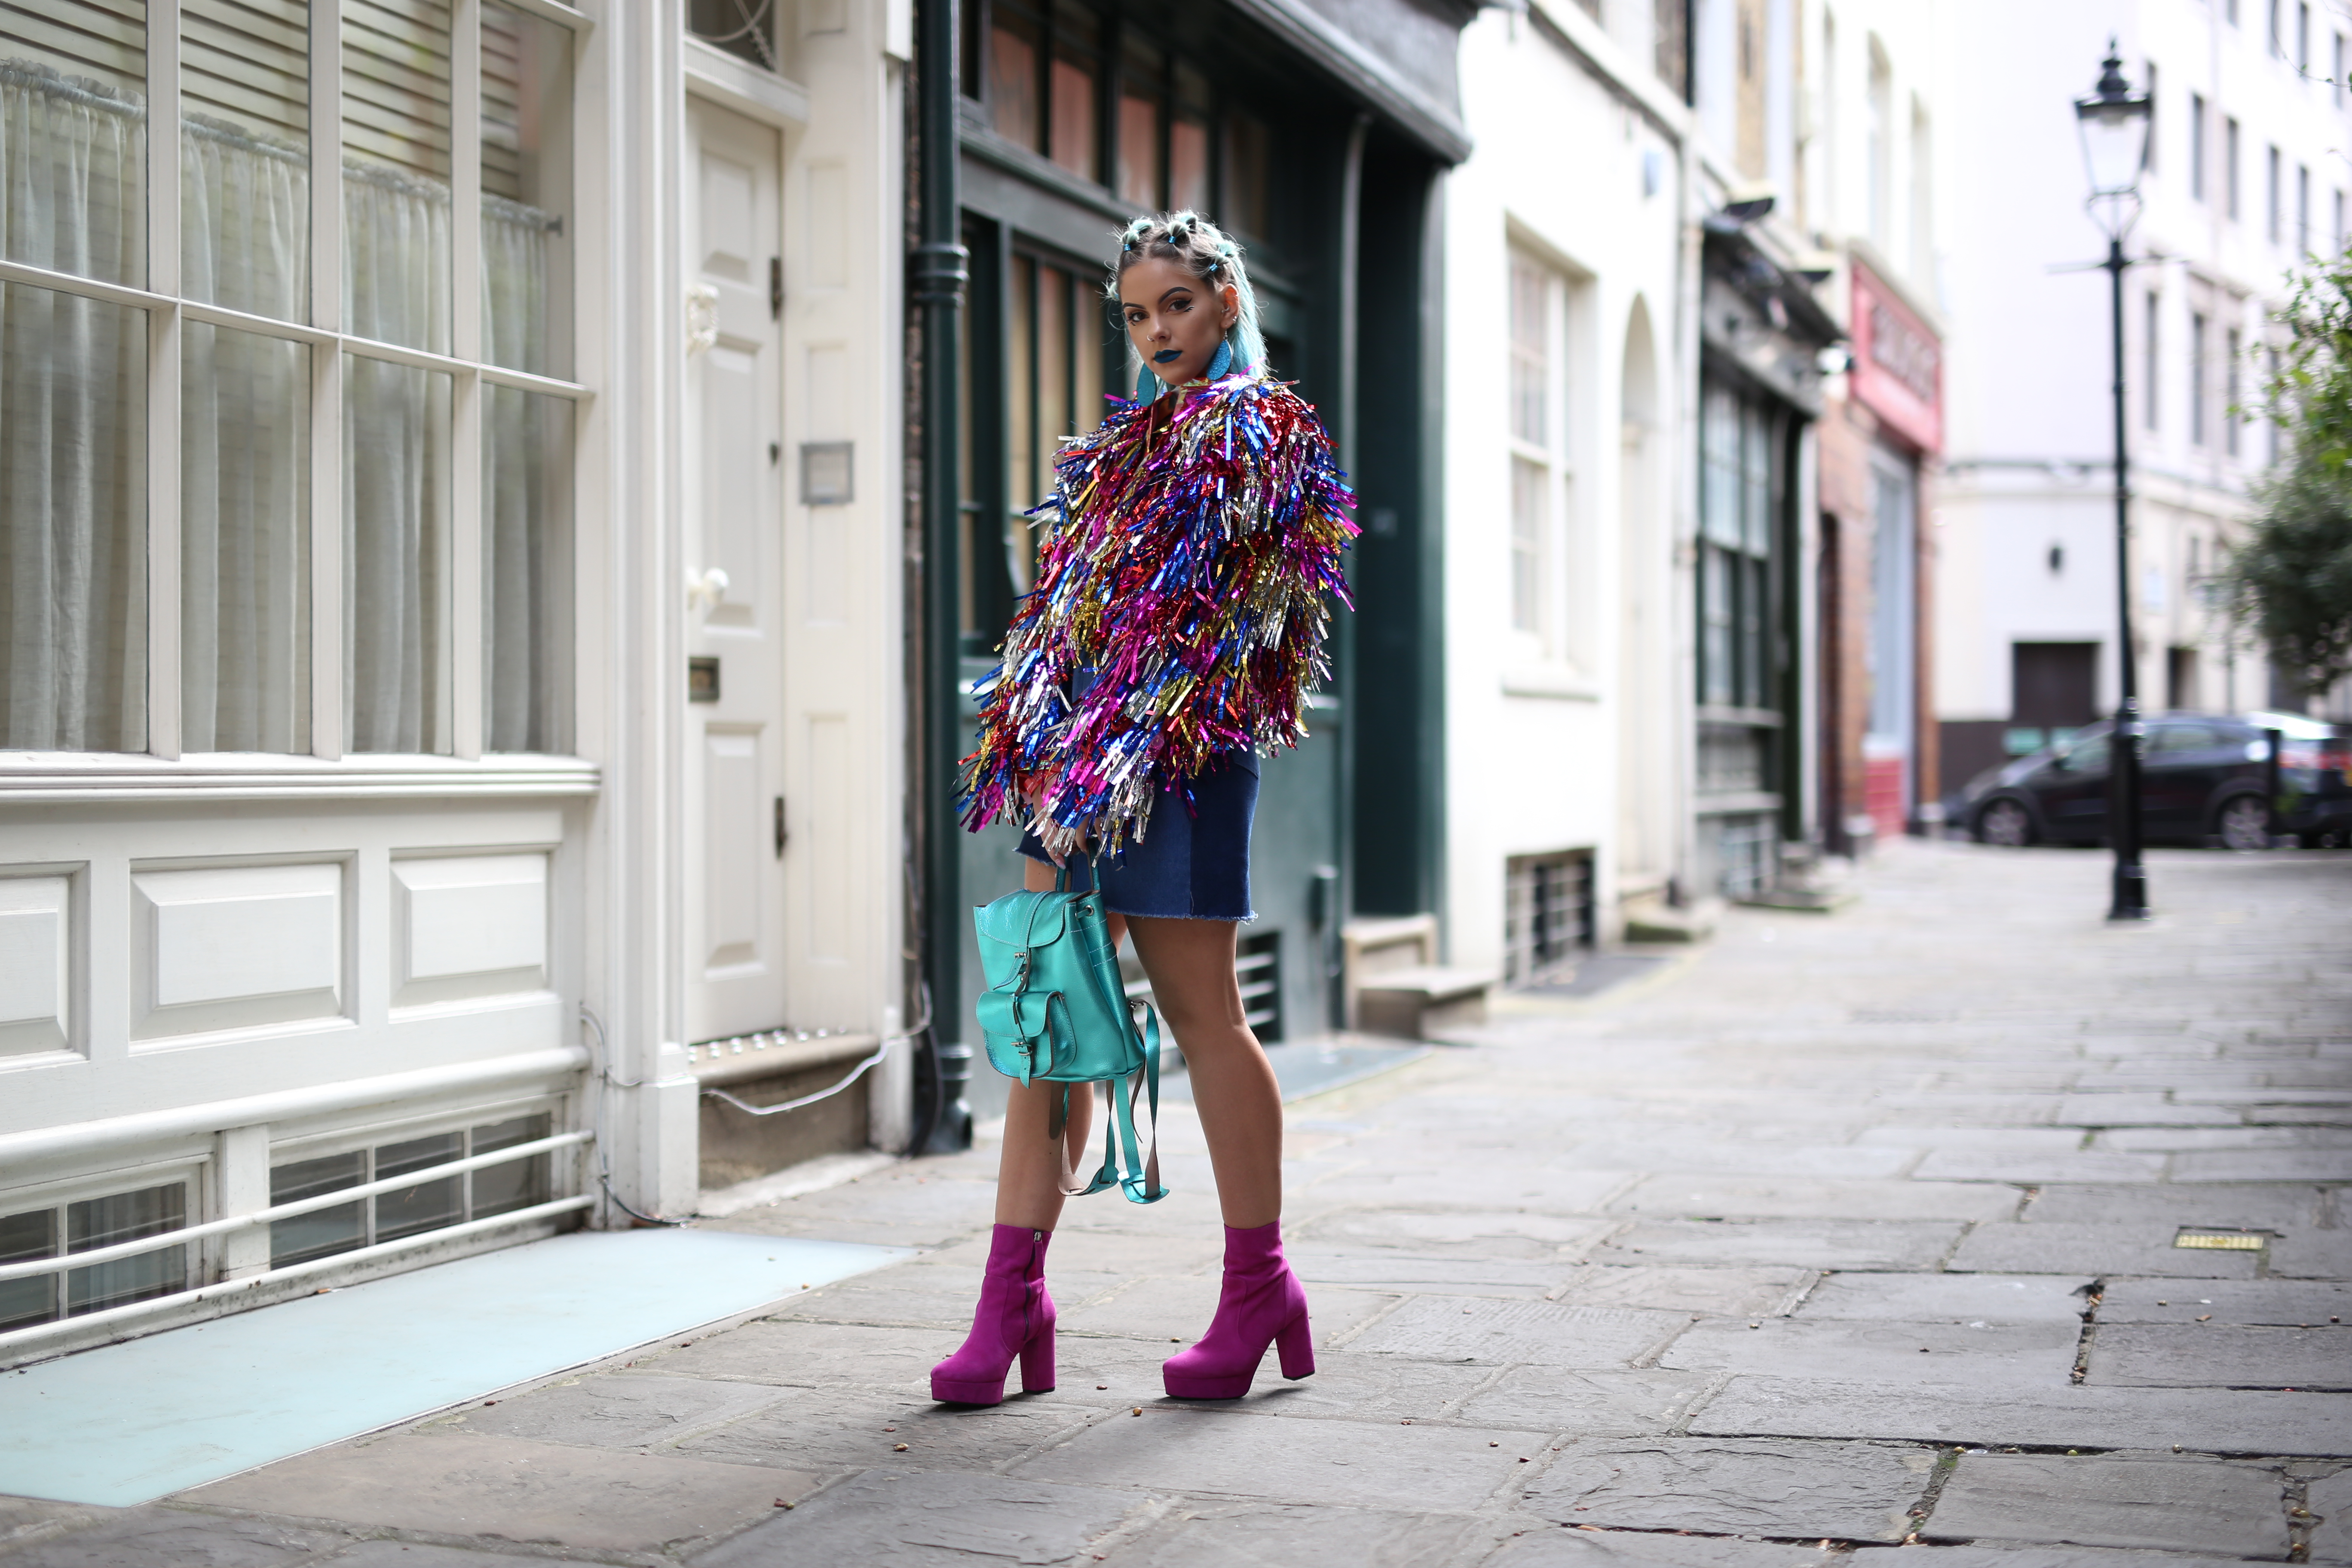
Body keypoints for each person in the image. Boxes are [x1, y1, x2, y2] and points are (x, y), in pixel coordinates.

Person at [933, 211, 1354, 1406]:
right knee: (1047, 1023)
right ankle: (1010, 1304)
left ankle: (1259, 1286)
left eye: (1176, 304)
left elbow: (1232, 631)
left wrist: (1110, 759)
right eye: (1136, 314)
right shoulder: (1120, 452)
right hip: (1073, 773)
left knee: (1203, 1017)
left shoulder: (1264, 432)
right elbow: (1062, 618)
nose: (1157, 330)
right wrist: (1040, 745)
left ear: (1226, 299)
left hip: (1183, 763)